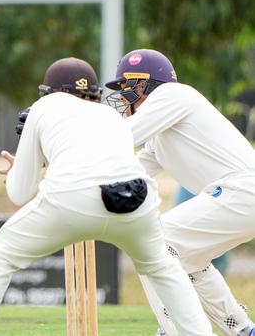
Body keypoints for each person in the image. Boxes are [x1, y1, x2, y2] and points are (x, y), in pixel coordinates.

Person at [0, 57, 212, 336]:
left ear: (50, 91)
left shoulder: (44, 106)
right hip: (136, 197)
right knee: (164, 268)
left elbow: (20, 193)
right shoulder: (111, 116)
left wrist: (22, 169)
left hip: (72, 197)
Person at [104, 49, 255, 336]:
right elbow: (125, 169)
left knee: (157, 243)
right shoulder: (161, 136)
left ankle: (172, 330)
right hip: (239, 197)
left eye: (126, 87)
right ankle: (242, 330)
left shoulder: (173, 96)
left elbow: (120, 138)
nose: (121, 97)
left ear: (145, 85)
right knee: (190, 260)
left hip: (243, 190)